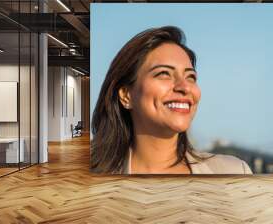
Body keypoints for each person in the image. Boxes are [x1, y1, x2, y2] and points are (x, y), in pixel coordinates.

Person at [91, 26, 252, 174]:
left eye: (191, 77)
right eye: (164, 73)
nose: (185, 87)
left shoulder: (235, 171)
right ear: (126, 95)